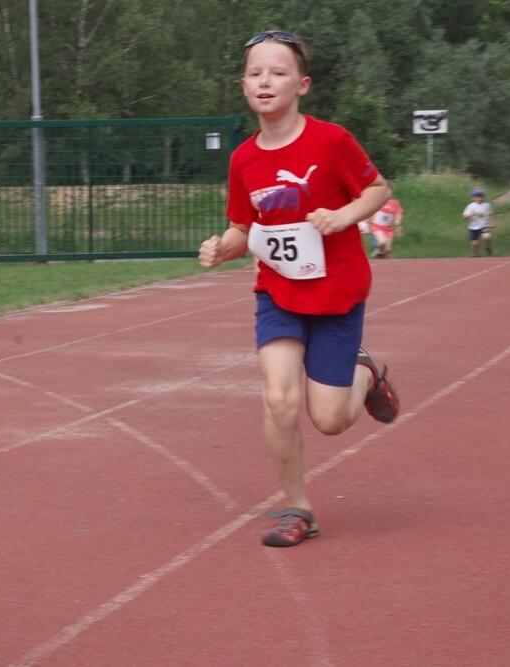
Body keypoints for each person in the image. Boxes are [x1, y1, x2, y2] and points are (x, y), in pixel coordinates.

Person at [198, 30, 400, 548]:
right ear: (243, 84)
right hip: (278, 295)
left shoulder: (331, 141)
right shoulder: (243, 158)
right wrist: (223, 247)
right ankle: (298, 508)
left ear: (302, 84)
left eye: (278, 72)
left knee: (329, 419)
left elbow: (379, 189)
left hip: (336, 298)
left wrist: (343, 215)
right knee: (278, 399)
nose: (265, 81)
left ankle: (367, 376)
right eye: (255, 73)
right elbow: (245, 227)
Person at [463, 187, 494, 256]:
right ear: (473, 198)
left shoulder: (487, 205)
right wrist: (471, 214)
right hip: (473, 227)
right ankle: (475, 254)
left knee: (487, 236)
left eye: (480, 196)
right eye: (476, 196)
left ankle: (488, 246)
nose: (478, 198)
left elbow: (490, 214)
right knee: (475, 243)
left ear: (483, 196)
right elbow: (464, 216)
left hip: (484, 225)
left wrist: (491, 223)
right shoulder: (470, 206)